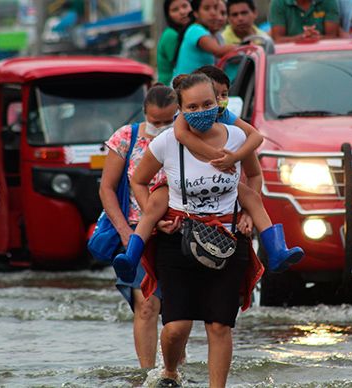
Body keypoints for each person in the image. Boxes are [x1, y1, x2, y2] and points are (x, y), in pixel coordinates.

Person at [130, 73, 266, 387]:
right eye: (192, 106)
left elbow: (255, 177)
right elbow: (138, 180)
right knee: (177, 327)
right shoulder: (167, 142)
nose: (202, 110)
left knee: (219, 326)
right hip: (178, 240)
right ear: (181, 109)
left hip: (227, 240)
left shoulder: (236, 137)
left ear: (219, 102)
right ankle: (170, 371)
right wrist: (153, 211)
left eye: (208, 103)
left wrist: (247, 210)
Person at [113, 66, 303, 283]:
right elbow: (182, 136)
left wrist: (234, 157)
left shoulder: (225, 116)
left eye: (224, 95)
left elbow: (255, 138)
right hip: (180, 182)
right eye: (215, 95)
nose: (220, 100)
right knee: (154, 207)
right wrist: (217, 157)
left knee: (252, 197)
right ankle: (131, 256)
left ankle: (277, 250)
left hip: (223, 182)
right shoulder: (184, 121)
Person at [98, 84, 180, 369]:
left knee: (177, 311)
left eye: (169, 121)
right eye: (155, 122)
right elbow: (107, 189)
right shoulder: (126, 137)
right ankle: (147, 374)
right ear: (144, 113)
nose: (162, 127)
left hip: (180, 230)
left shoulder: (187, 137)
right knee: (146, 306)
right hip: (137, 233)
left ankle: (173, 370)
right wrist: (125, 232)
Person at [171, 0, 237, 78]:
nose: (213, 13)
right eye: (206, 8)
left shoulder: (212, 33)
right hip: (184, 88)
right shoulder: (196, 30)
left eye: (215, 8)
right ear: (196, 13)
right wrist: (240, 47)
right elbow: (219, 51)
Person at [269, 0, 340, 43]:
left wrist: (315, 38)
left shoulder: (328, 1)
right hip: (290, 57)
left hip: (322, 55)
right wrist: (302, 38)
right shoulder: (278, 2)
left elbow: (332, 37)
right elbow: (277, 39)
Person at [157, 0, 193, 85]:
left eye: (185, 6)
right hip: (169, 88)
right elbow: (181, 64)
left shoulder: (189, 32)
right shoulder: (170, 34)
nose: (182, 12)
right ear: (168, 15)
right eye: (175, 10)